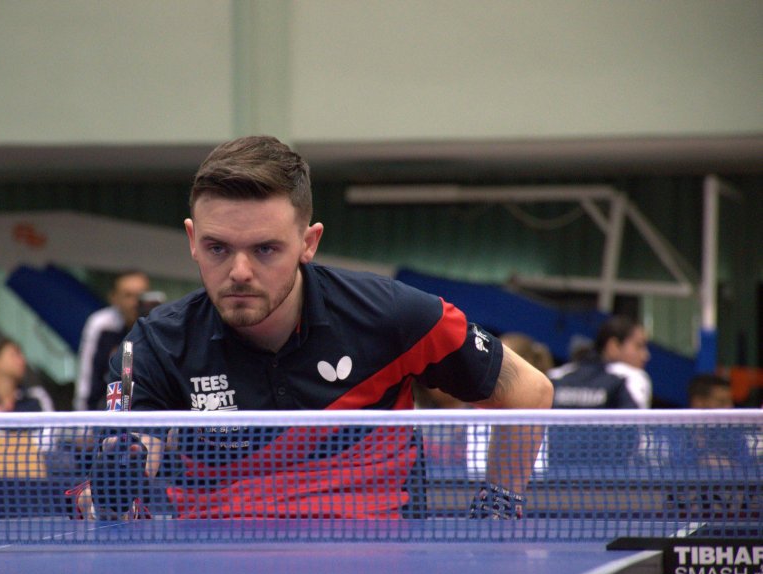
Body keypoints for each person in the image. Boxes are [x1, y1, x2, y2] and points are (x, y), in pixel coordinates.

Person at [86, 136, 552, 521]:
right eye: (218, 248)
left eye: (266, 249)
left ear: (309, 243)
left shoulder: (392, 316)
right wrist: (113, 481)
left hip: (381, 572)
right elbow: (124, 458)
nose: (240, 271)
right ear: (192, 240)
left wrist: (500, 504)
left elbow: (528, 390)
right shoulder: (152, 347)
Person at [547, 315, 652, 465]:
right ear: (613, 346)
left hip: (554, 480)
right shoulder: (633, 378)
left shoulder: (555, 376)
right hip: (608, 481)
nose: (646, 355)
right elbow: (635, 438)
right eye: (639, 346)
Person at [73, 271, 157, 411]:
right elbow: (88, 377)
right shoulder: (101, 325)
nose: (135, 302)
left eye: (140, 295)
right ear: (114, 298)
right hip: (107, 412)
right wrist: (84, 420)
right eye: (128, 295)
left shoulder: (160, 325)